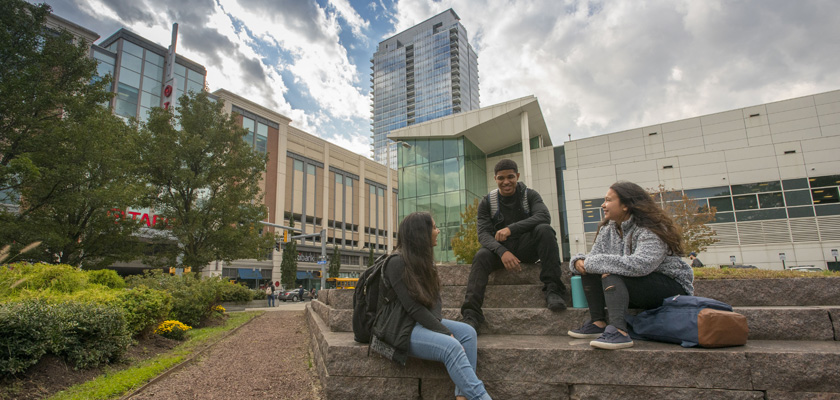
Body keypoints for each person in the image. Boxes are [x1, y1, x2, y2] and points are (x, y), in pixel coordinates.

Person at [567, 181, 695, 350]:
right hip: (635, 286)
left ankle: (619, 331)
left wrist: (592, 262)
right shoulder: (608, 229)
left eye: (608, 200)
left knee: (607, 271)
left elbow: (641, 265)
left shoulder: (650, 228)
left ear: (626, 205)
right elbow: (594, 258)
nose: (603, 205)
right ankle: (598, 323)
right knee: (589, 270)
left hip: (671, 287)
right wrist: (577, 262)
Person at [384, 212, 491, 400]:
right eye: (434, 227)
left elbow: (434, 303)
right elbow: (413, 308)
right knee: (452, 346)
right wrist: (444, 332)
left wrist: (439, 328)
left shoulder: (425, 262)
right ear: (420, 233)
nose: (438, 231)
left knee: (468, 333)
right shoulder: (396, 262)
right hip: (400, 328)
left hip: (419, 323)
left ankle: (462, 397)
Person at [461, 159, 567, 333]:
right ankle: (471, 314)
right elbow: (483, 235)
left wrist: (511, 229)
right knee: (481, 256)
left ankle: (554, 289)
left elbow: (543, 216)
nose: (506, 182)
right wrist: (502, 251)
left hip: (527, 248)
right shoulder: (487, 202)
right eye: (501, 178)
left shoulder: (530, 195)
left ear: (517, 176)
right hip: (500, 252)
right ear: (495, 178)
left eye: (510, 177)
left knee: (545, 230)